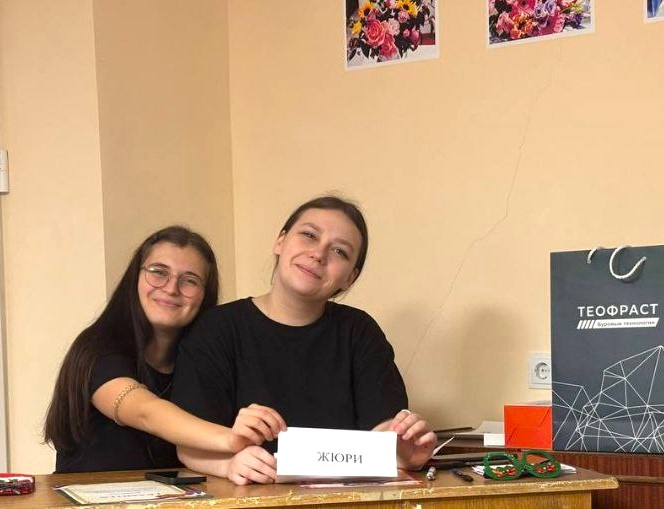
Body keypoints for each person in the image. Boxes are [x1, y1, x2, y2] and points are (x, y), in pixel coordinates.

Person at [171, 196, 436, 485]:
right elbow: (188, 447)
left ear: (350, 277)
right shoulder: (215, 328)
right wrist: (228, 465)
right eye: (309, 235)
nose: (318, 254)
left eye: (340, 251)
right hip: (248, 498)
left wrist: (400, 448)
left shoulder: (360, 332)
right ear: (280, 241)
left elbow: (383, 430)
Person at [44, 226, 285, 472]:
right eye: (159, 272)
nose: (171, 288)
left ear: (205, 294)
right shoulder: (97, 347)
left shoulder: (204, 358)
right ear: (135, 278)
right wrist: (229, 439)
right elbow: (145, 412)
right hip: (88, 493)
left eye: (190, 280)